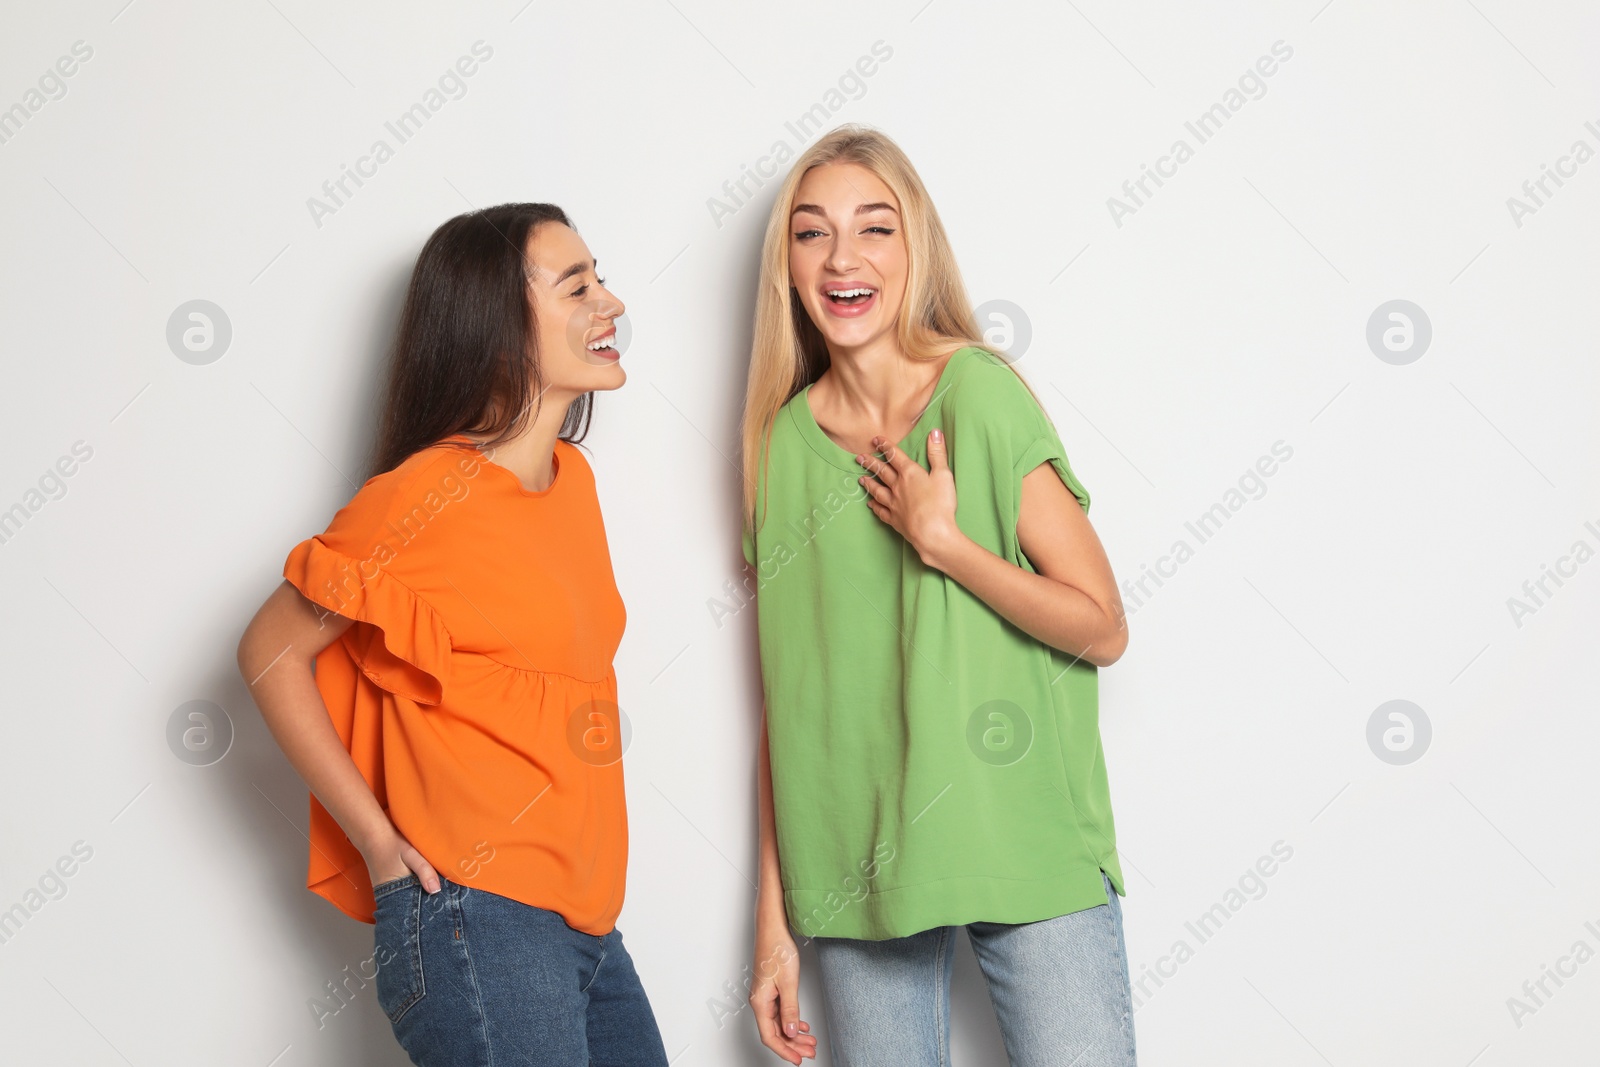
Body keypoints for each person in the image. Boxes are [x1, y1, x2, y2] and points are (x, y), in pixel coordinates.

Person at [236, 203, 668, 1067]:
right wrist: (377, 842)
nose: (610, 301)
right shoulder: (422, 495)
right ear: (496, 324)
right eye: (576, 284)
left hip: (584, 923)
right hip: (478, 914)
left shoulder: (572, 482)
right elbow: (269, 649)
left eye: (601, 277)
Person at [741, 126, 1136, 1066]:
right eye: (811, 233)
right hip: (853, 866)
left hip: (1022, 837)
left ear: (913, 250)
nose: (843, 258)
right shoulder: (780, 449)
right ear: (788, 267)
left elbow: (1104, 627)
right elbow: (787, 703)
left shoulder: (981, 396)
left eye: (874, 228)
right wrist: (775, 922)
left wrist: (947, 545)